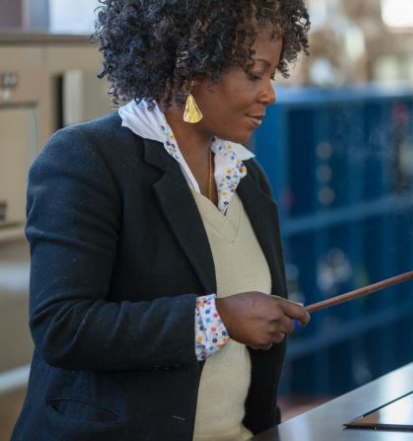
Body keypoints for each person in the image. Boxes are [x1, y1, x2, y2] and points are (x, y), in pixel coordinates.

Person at [11, 1, 311, 440]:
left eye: (271, 74)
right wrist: (217, 318)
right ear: (192, 66)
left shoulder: (246, 176)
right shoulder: (87, 160)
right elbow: (63, 326)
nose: (269, 93)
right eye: (254, 73)